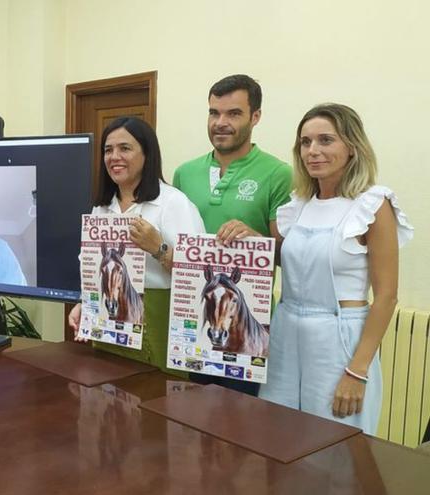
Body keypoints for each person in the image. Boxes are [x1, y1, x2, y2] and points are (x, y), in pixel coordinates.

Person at [259, 104, 412, 434]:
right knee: (277, 435)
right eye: (305, 142)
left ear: (352, 146)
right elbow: (292, 262)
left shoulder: (372, 204)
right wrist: (250, 240)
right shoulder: (296, 206)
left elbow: (386, 297)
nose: (313, 151)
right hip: (286, 332)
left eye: (326, 140)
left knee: (334, 448)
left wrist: (357, 371)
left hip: (339, 337)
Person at [173, 74, 292, 395]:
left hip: (246, 327)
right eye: (214, 113)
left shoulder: (278, 174)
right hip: (192, 322)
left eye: (233, 114)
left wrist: (257, 239)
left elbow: (288, 257)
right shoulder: (185, 173)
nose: (221, 122)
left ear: (256, 117)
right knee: (188, 422)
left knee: (242, 427)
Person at [67, 117, 204, 371]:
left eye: (125, 148)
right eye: (108, 150)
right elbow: (92, 268)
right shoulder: (102, 208)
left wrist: (158, 248)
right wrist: (84, 303)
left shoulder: (173, 204)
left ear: (147, 154)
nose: (114, 156)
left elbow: (199, 276)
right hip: (109, 322)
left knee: (153, 400)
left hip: (159, 319)